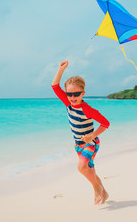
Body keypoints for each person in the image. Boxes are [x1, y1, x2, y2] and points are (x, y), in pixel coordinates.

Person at [51, 60, 110, 205]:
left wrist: (93, 135)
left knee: (82, 167)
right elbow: (55, 86)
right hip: (77, 145)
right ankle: (104, 193)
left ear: (83, 93)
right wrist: (61, 69)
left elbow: (105, 123)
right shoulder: (67, 103)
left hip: (91, 143)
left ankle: (97, 189)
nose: (72, 97)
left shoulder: (87, 109)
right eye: (69, 94)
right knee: (90, 170)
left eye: (76, 94)